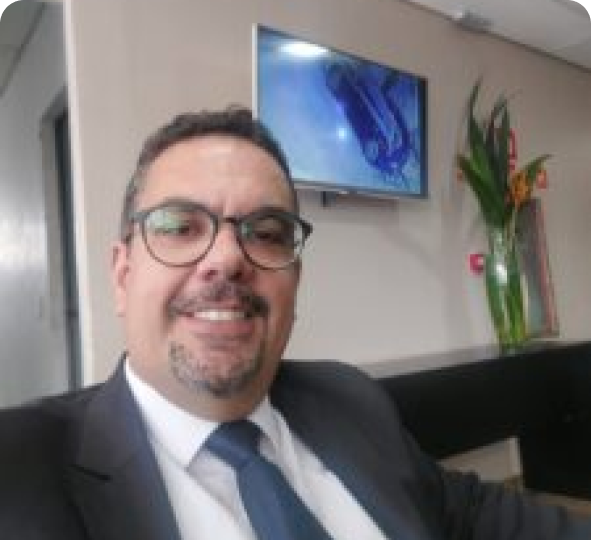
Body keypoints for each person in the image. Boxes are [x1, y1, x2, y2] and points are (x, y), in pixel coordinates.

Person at [0, 106, 589, 540]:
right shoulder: (19, 471)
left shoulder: (347, 396)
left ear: (295, 281)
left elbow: (473, 515)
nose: (227, 258)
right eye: (180, 226)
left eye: (266, 232)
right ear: (122, 274)